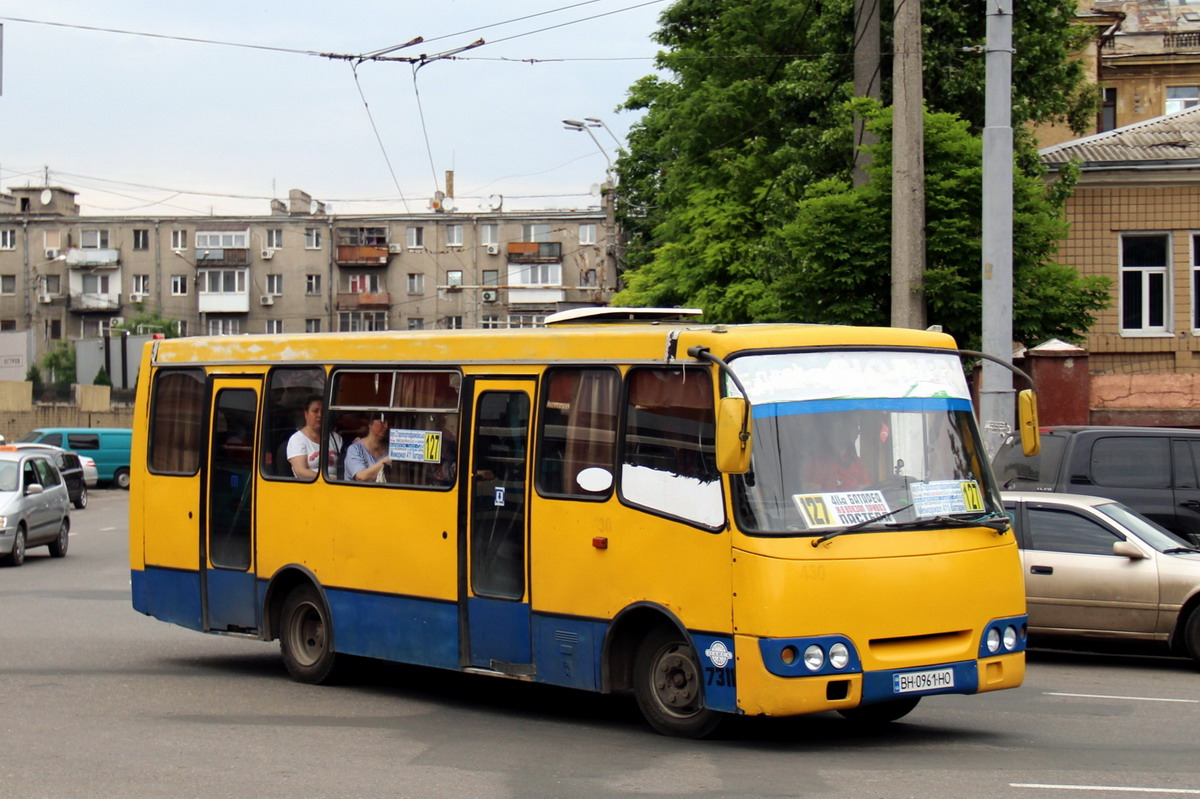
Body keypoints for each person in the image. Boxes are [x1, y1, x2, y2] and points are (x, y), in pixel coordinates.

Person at [800, 413, 869, 492]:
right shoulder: (815, 462)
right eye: (854, 426)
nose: (858, 432)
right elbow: (812, 496)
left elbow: (866, 492)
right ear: (839, 427)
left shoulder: (858, 463)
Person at [287, 395, 342, 479]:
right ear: (306, 414)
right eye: (315, 411)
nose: (320, 415)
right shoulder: (297, 439)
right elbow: (301, 472)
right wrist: (329, 480)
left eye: (323, 411)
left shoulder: (335, 437)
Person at [346, 414, 393, 482]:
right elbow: (361, 478)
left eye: (389, 423)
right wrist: (385, 462)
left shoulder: (391, 448)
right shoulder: (355, 449)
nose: (386, 426)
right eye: (382, 421)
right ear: (370, 423)